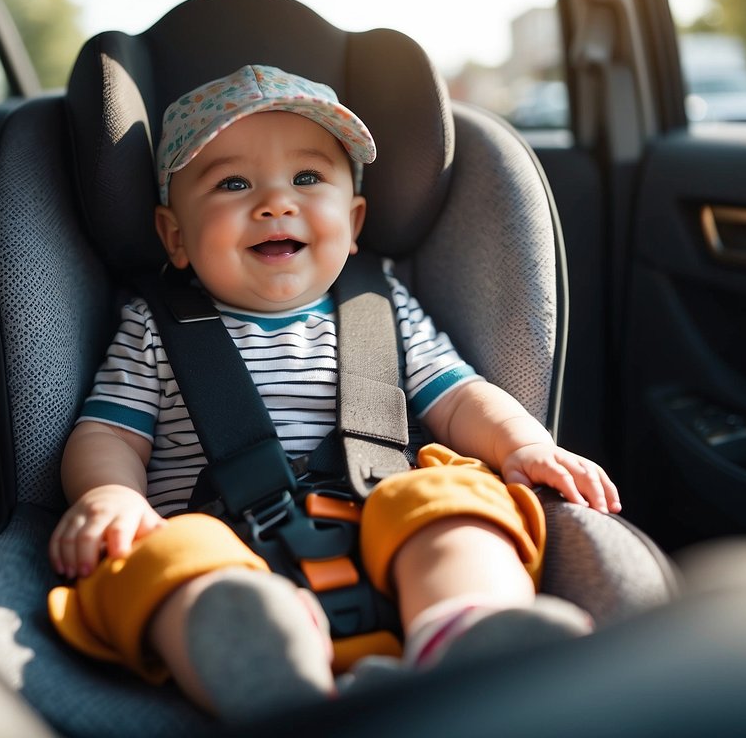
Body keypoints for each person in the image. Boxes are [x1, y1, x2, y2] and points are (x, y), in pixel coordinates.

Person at [47, 64, 622, 721]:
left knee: (456, 492)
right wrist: (110, 495)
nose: (274, 203)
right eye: (232, 183)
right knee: (155, 558)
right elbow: (110, 432)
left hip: (386, 528)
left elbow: (460, 397)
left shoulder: (382, 307)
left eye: (307, 178)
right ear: (174, 235)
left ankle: (466, 624)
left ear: (352, 224)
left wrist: (524, 443)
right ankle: (257, 660)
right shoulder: (154, 326)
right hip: (217, 538)